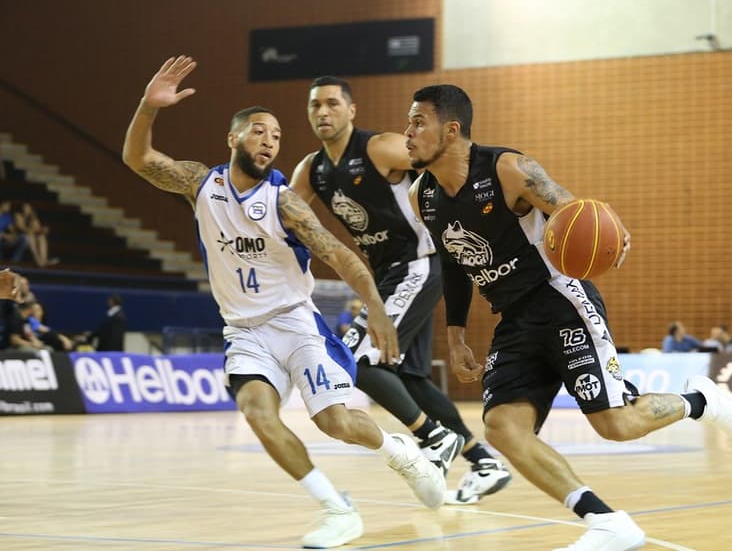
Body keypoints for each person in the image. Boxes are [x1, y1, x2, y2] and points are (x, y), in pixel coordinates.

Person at [404, 84, 732, 551]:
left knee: (615, 424)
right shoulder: (421, 196)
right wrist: (455, 337)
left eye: (417, 122)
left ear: (451, 130)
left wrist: (609, 230)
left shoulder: (508, 169)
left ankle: (701, 401)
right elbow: (453, 262)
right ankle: (607, 522)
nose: (407, 133)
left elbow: (573, 211)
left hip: (561, 299)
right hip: (513, 316)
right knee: (503, 429)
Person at [122, 56, 445, 549]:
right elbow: (138, 160)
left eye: (275, 134)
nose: (269, 140)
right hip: (245, 331)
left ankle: (400, 451)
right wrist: (148, 105)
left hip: (297, 325)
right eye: (258, 131)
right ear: (233, 139)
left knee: (336, 422)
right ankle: (337, 509)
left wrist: (375, 307)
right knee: (257, 412)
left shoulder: (284, 203)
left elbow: (339, 254)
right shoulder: (199, 184)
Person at [290, 75, 511, 504]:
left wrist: (481, 212)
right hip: (389, 276)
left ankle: (432, 437)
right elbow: (283, 215)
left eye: (333, 103)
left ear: (351, 110)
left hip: (419, 264)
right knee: (408, 374)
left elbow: (447, 160)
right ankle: (483, 460)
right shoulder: (311, 169)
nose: (323, 112)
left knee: (359, 357)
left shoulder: (378, 148)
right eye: (315, 105)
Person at [14, 202, 58, 268]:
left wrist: (43, 230)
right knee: (30, 237)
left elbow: (37, 227)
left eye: (28, 208)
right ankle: (38, 261)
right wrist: (35, 230)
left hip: (31, 235)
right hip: (19, 237)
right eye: (25, 207)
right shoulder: (18, 215)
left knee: (41, 237)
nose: (26, 209)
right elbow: (22, 229)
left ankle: (43, 260)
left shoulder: (32, 216)